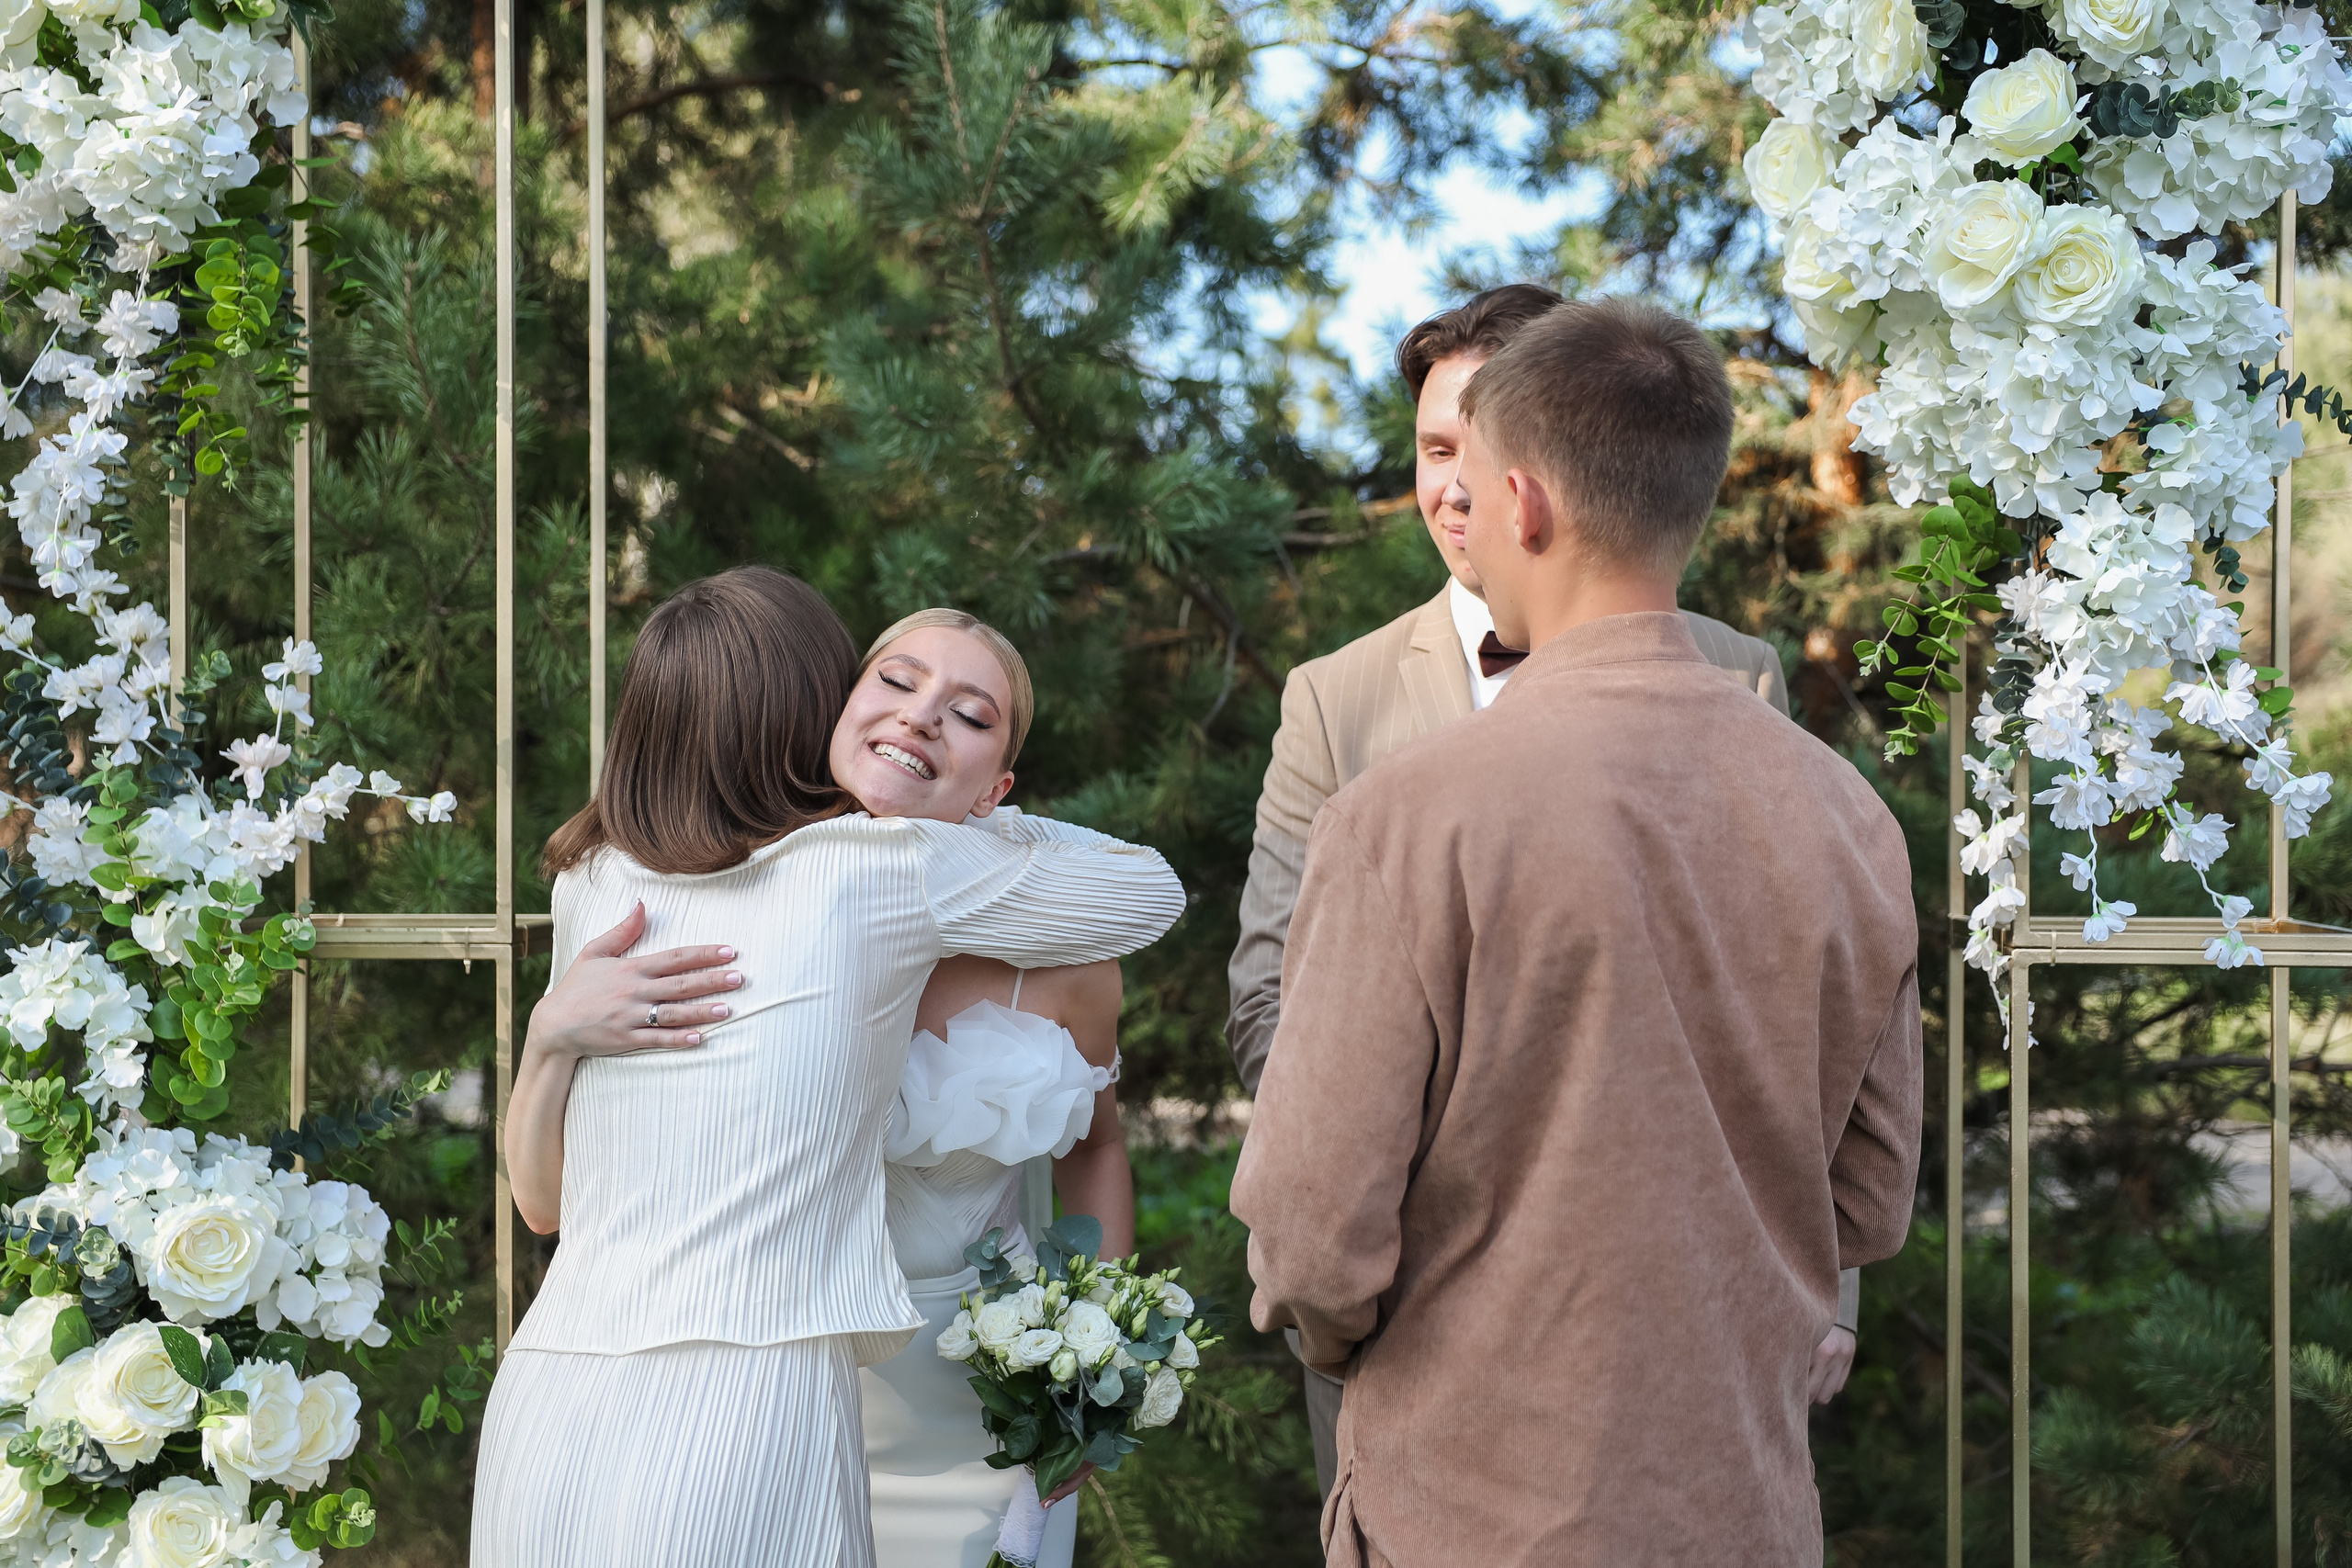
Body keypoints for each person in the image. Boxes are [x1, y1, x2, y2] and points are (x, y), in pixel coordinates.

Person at [1230, 299, 1921, 1565]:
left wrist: (1350, 1337)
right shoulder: (1849, 814)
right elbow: (1870, 1199)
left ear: (1527, 504)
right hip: (1739, 1503)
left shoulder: (1403, 816)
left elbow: (1314, 1232)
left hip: (1472, 1502)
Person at [473, 570, 1182, 1568]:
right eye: (892, 681)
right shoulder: (652, 882)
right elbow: (549, 1208)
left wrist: (1089, 1366)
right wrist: (549, 1036)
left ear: (1000, 782)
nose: (922, 718)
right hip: (758, 1394)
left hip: (963, 1402)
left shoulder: (645, 871)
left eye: (970, 716)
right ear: (825, 714)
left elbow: (1100, 1133)